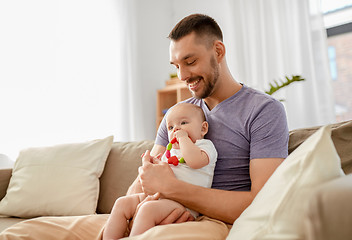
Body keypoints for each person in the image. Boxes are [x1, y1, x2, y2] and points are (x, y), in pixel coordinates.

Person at [126, 13, 289, 238]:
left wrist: (174, 190)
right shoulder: (177, 116)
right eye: (176, 66)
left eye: (190, 62)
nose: (182, 75)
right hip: (156, 215)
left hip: (217, 223)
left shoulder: (263, 110)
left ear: (218, 51)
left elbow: (262, 203)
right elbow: (139, 186)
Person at [102, 103, 217, 239]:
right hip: (159, 196)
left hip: (184, 205)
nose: (176, 129)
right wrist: (152, 163)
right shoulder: (171, 151)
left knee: (147, 210)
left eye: (183, 123)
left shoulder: (205, 146)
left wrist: (183, 138)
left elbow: (194, 161)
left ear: (203, 128)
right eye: (170, 127)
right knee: (122, 202)